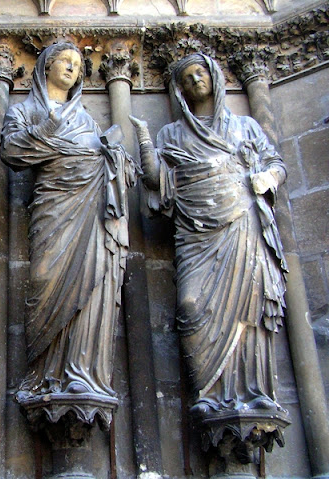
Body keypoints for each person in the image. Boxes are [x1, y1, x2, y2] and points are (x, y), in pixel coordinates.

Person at [130, 53, 287, 415]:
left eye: (200, 72)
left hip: (242, 223)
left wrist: (268, 178)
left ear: (215, 77)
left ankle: (253, 392)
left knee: (248, 309)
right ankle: (209, 392)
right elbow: (157, 182)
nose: (195, 79)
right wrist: (142, 138)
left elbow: (275, 162)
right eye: (186, 77)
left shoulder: (246, 126)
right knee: (190, 304)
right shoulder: (171, 133)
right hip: (195, 231)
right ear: (179, 90)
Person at [1, 42, 137, 398]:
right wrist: (47, 128)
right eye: (65, 60)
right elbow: (11, 150)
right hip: (55, 208)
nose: (72, 67)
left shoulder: (86, 118)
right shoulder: (24, 110)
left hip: (91, 210)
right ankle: (45, 373)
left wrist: (116, 157)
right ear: (46, 65)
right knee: (45, 278)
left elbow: (105, 155)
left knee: (92, 285)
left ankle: (82, 371)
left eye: (78, 64)